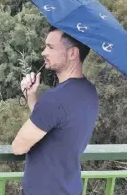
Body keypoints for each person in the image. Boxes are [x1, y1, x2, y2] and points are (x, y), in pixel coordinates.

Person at [11, 25, 99, 195]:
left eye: (50, 47)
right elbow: (52, 122)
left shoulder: (54, 99)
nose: (44, 52)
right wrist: (31, 95)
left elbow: (18, 147)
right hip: (70, 188)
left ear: (72, 53)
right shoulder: (89, 92)